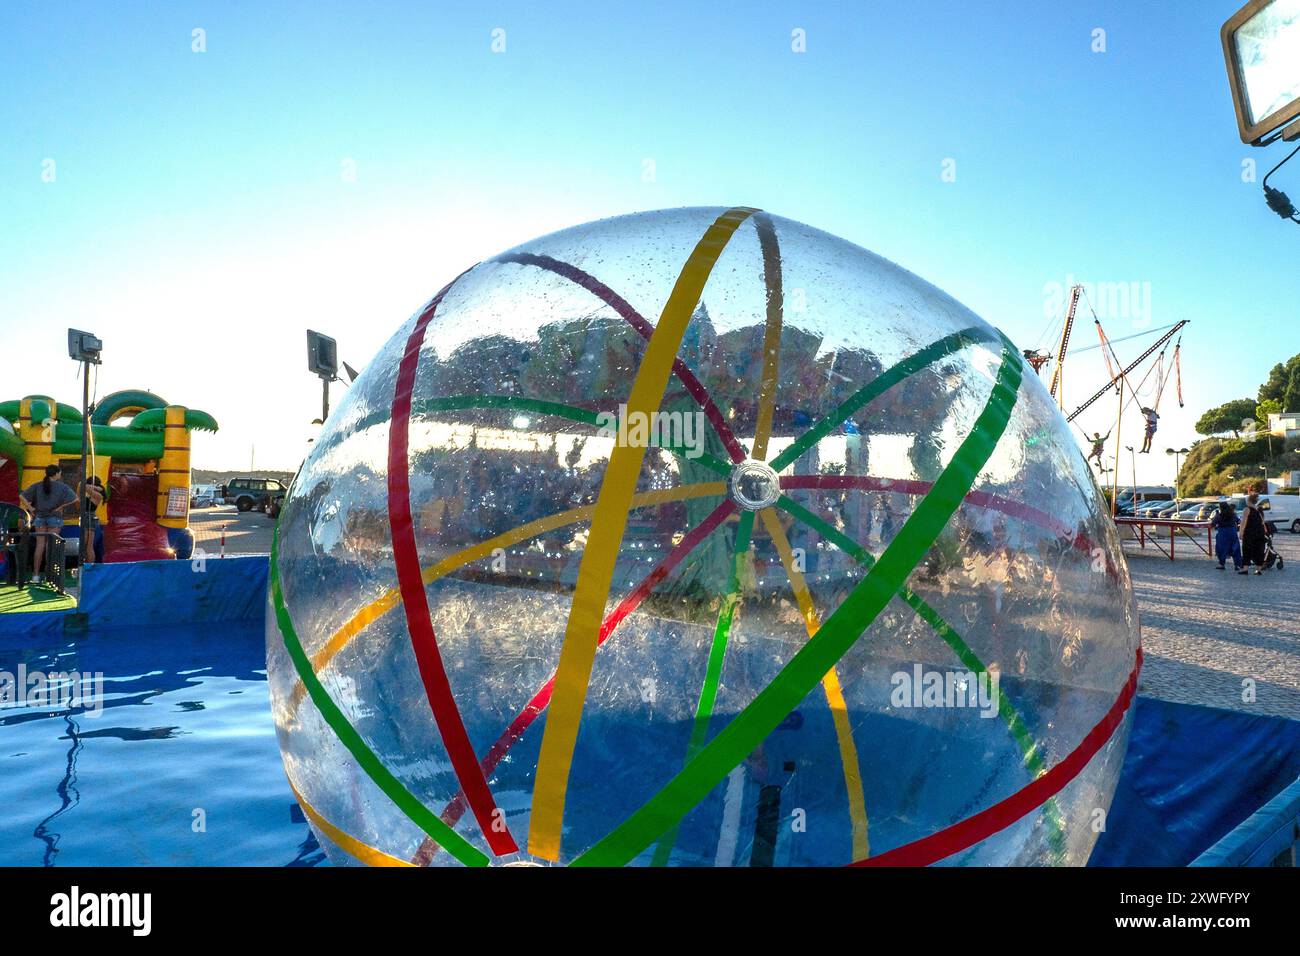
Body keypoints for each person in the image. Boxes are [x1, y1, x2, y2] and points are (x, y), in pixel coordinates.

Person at [18, 464, 77, 585]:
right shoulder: (62, 487)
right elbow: (75, 499)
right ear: (56, 474)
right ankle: (50, 576)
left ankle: (35, 576)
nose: (60, 475)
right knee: (52, 547)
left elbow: (22, 496)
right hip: (55, 519)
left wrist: (31, 509)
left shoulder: (38, 485)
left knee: (40, 546)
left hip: (39, 518)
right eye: (59, 473)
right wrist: (60, 507)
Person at [79, 476, 107, 564]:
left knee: (88, 545)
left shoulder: (98, 495)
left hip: (89, 517)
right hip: (86, 517)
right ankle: (86, 564)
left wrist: (94, 487)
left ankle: (89, 565)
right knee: (85, 545)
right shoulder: (97, 492)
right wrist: (98, 487)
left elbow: (84, 487)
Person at [1241, 493, 1269, 576]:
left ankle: (1245, 569)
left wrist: (1241, 532)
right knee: (1259, 550)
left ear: (1248, 500)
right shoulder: (1259, 510)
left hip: (1249, 532)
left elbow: (1243, 522)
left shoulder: (1247, 509)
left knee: (1247, 550)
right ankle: (1258, 570)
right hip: (1260, 532)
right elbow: (1262, 522)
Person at [1210, 500, 1243, 573]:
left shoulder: (1219, 515)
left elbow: (1213, 524)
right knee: (1235, 548)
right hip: (1232, 532)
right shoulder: (1232, 514)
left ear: (1221, 508)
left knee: (1221, 549)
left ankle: (1222, 564)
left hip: (1222, 533)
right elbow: (1239, 521)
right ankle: (1237, 564)